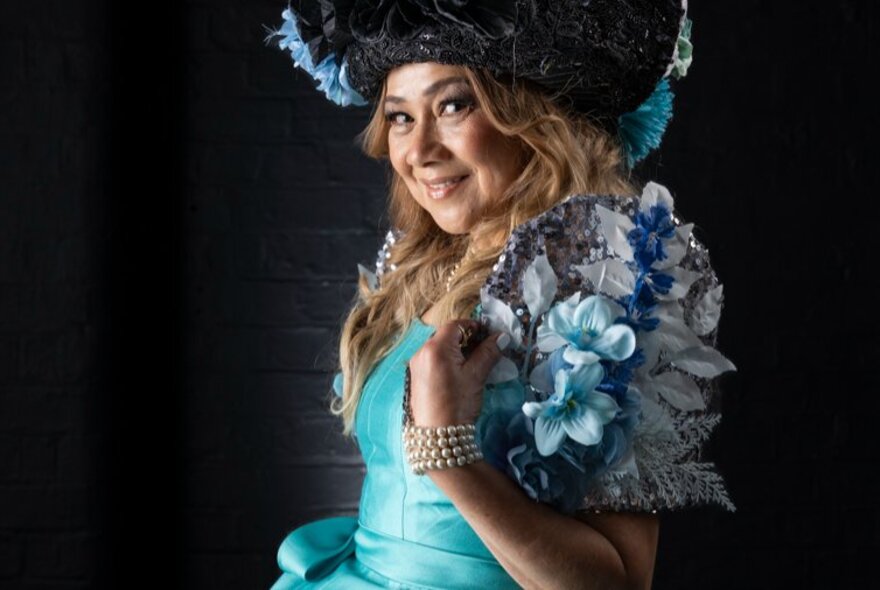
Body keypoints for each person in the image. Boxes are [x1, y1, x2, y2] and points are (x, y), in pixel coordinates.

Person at [265, 1, 735, 588]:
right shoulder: (427, 266)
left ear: (530, 116)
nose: (419, 151)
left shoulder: (602, 288)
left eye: (453, 105)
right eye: (401, 117)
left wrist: (446, 448)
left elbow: (620, 581)